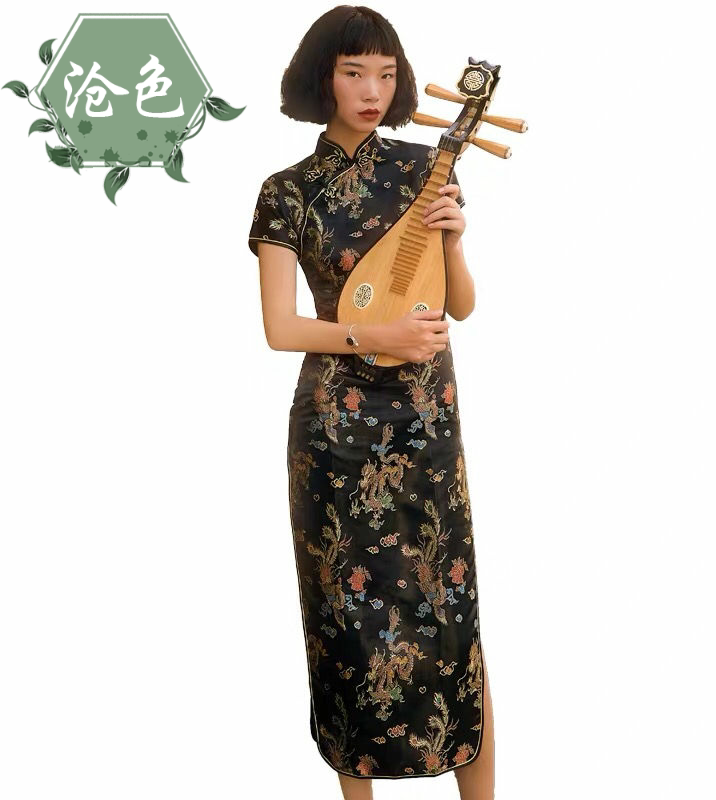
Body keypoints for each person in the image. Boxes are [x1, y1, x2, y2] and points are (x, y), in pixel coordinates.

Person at [247, 6, 495, 798]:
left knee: (451, 614)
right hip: (336, 428)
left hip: (426, 418)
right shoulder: (287, 192)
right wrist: (373, 333)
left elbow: (460, 306)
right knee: (346, 625)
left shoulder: (428, 169)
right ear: (321, 78)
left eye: (386, 75)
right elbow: (282, 329)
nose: (372, 90)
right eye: (354, 72)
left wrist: (454, 239)